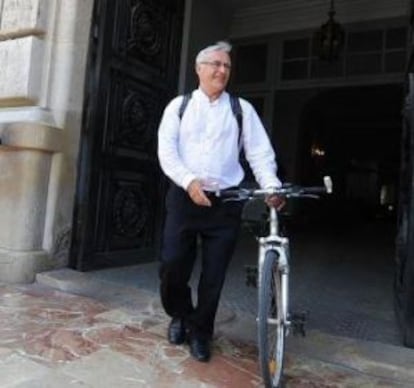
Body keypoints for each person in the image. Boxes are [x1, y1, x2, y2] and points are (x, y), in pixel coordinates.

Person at [157, 41, 283, 362]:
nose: (222, 70)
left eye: (226, 66)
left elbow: (259, 153)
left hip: (226, 204)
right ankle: (181, 315)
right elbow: (167, 152)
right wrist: (189, 181)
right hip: (185, 199)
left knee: (214, 276)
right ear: (199, 69)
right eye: (215, 64)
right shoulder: (179, 106)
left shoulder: (242, 109)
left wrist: (271, 185)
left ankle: (201, 331)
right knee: (172, 266)